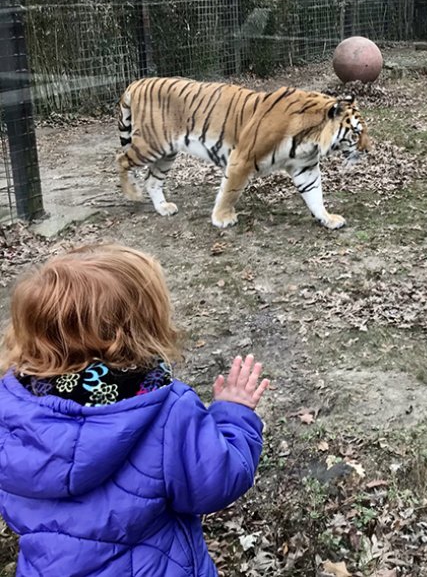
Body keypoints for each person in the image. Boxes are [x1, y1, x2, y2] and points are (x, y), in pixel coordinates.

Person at [0, 244, 269, 576]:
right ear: (140, 329)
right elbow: (216, 482)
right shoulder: (167, 412)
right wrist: (234, 414)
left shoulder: (11, 409)